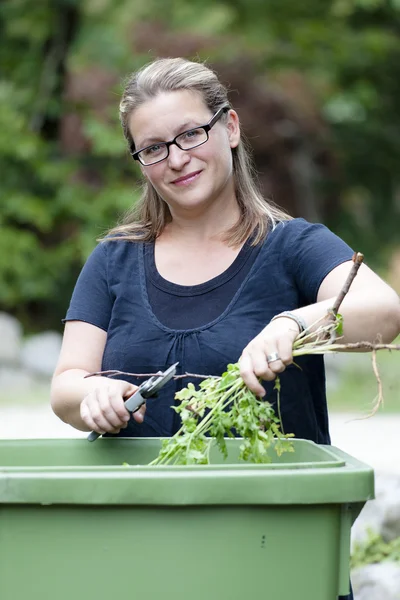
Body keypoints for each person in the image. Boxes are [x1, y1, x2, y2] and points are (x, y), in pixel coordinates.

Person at [51, 57, 399, 600]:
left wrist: (296, 322)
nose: (177, 159)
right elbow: (67, 383)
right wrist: (90, 394)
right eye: (154, 147)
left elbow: (383, 311)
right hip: (140, 554)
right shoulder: (113, 260)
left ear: (229, 128)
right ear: (140, 160)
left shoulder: (292, 246)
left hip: (276, 550)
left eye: (191, 134)